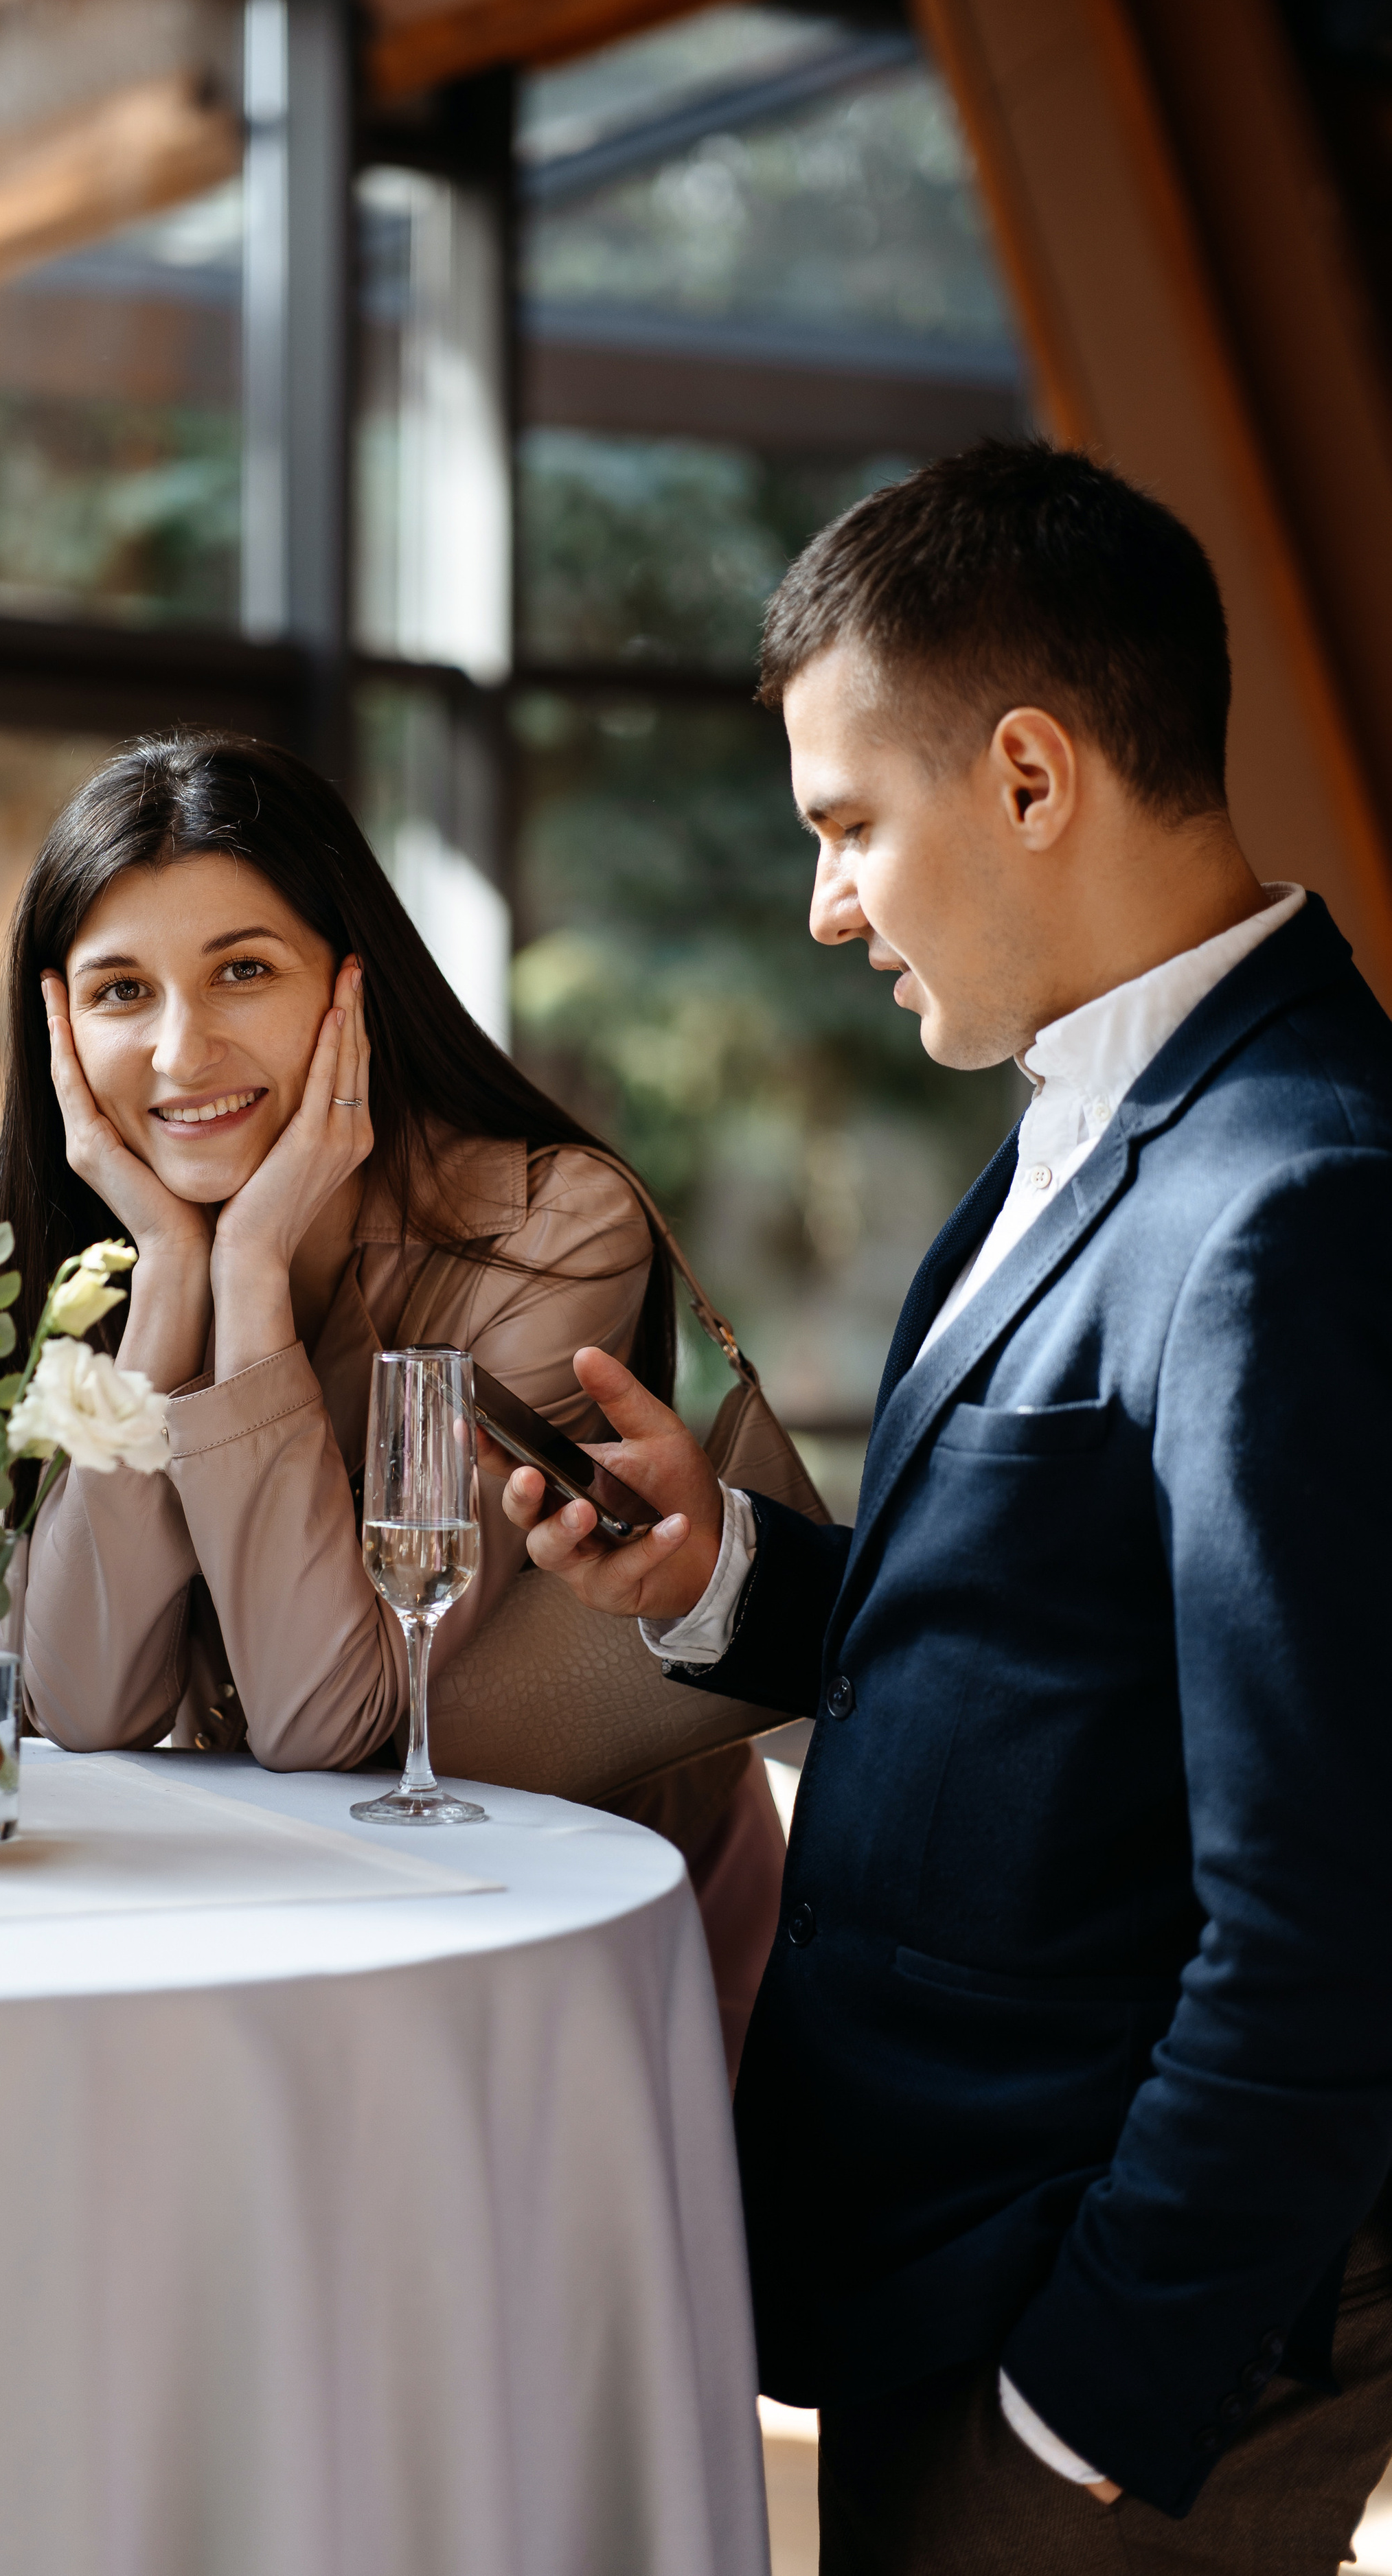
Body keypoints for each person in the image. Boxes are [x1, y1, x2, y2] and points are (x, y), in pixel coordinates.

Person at [497, 442, 1392, 2568]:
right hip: (939, 2277)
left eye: (845, 826)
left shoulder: (1295, 1200)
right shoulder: (1090, 1121)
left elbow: (1334, 1910)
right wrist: (730, 1577)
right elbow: (1075, 1675)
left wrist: (1090, 2402)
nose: (824, 907)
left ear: (1026, 775)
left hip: (1095, 2346)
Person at [0, 733, 784, 2049]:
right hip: (298, 1944)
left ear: (348, 989)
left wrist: (249, 1281)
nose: (182, 1053)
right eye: (122, 991)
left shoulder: (549, 1228)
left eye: (243, 971)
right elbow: (80, 1705)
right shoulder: (84, 1258)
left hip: (586, 1963)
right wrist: (173, 1289)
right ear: (63, 1030)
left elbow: (340, 1723)